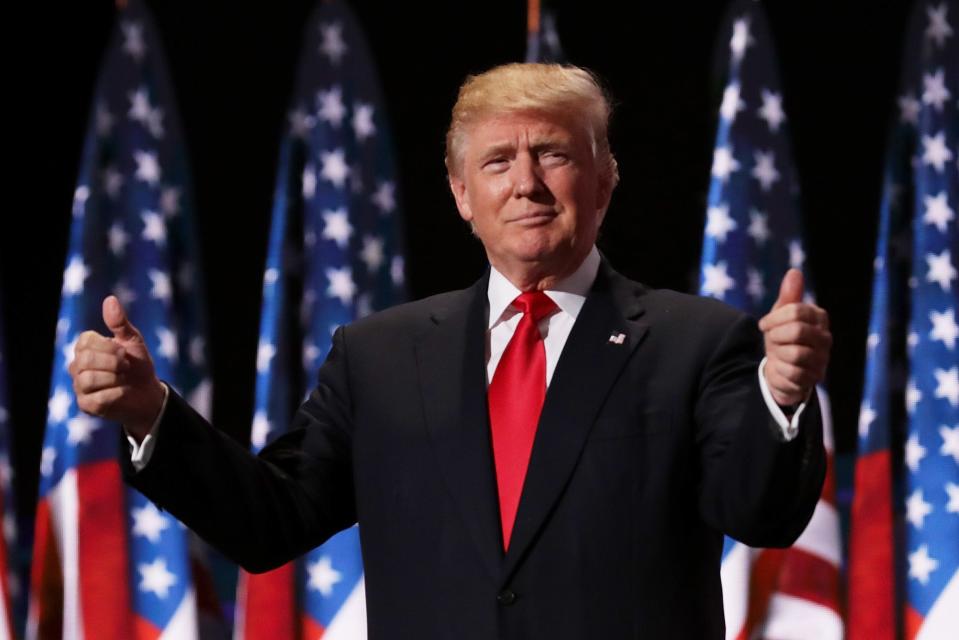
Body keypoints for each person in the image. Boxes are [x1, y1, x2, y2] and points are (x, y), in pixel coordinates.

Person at [69, 63, 830, 638]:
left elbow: (758, 513)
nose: (526, 183)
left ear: (604, 181)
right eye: (498, 161)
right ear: (463, 194)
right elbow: (270, 523)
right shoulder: (378, 356)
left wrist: (783, 399)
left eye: (554, 155)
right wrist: (151, 415)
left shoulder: (694, 341)